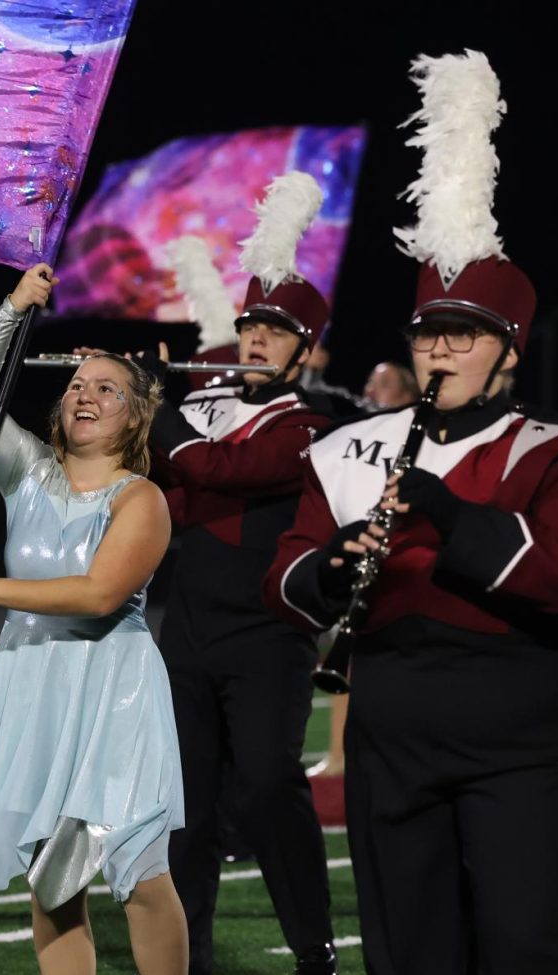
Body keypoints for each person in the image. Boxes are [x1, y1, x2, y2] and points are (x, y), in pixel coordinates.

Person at [265, 254, 558, 973]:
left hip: (528, 732)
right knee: (408, 953)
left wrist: (449, 512)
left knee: (526, 946)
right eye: (430, 334)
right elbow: (284, 576)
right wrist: (332, 568)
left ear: (511, 350)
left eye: (467, 334)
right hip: (395, 732)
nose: (441, 350)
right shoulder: (345, 452)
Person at [0, 264, 188, 975]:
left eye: (107, 387)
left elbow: (102, 593)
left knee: (137, 869)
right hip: (34, 677)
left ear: (135, 414)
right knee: (52, 876)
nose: (86, 393)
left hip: (114, 686)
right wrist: (14, 307)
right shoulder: (27, 473)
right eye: (78, 383)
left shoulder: (141, 499)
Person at [138, 270, 338, 975]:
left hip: (266, 631)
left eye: (276, 330)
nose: (256, 337)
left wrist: (157, 404)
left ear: (305, 350)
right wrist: (123, 400)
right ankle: (190, 959)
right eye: (251, 324)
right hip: (188, 623)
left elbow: (222, 469)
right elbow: (167, 480)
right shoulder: (208, 403)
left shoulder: (311, 424)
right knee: (185, 805)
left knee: (265, 785)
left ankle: (314, 949)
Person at [308, 359, 420, 779]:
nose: (372, 392)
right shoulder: (360, 431)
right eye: (370, 382)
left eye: (385, 384)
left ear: (409, 395)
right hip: (362, 558)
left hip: (406, 566)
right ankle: (339, 754)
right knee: (349, 658)